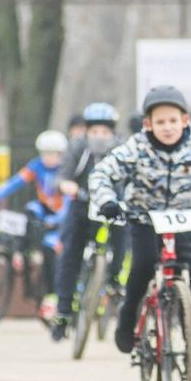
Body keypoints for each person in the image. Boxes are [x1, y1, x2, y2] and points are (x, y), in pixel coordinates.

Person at [89, 85, 191, 361]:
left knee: (190, 275)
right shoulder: (136, 148)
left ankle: (190, 339)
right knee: (143, 266)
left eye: (173, 121)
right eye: (160, 122)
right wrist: (107, 201)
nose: (167, 127)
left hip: (185, 217)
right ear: (148, 124)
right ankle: (128, 315)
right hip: (144, 217)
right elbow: (101, 174)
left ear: (185, 121)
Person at [52, 103, 127, 342]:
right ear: (87, 132)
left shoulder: (122, 150)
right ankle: (63, 312)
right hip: (83, 207)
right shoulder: (77, 147)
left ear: (112, 133)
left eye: (105, 132)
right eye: (94, 131)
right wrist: (67, 185)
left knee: (122, 235)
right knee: (70, 254)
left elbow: (131, 178)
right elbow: (63, 175)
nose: (99, 137)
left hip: (113, 207)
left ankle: (114, 280)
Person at [0, 130, 70, 319]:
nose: (48, 158)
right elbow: (16, 182)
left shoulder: (65, 170)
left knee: (50, 248)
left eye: (52, 154)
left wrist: (58, 219)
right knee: (27, 214)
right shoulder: (36, 166)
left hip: (60, 215)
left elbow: (70, 200)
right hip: (43, 208)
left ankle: (51, 296)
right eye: (45, 153)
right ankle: (19, 254)